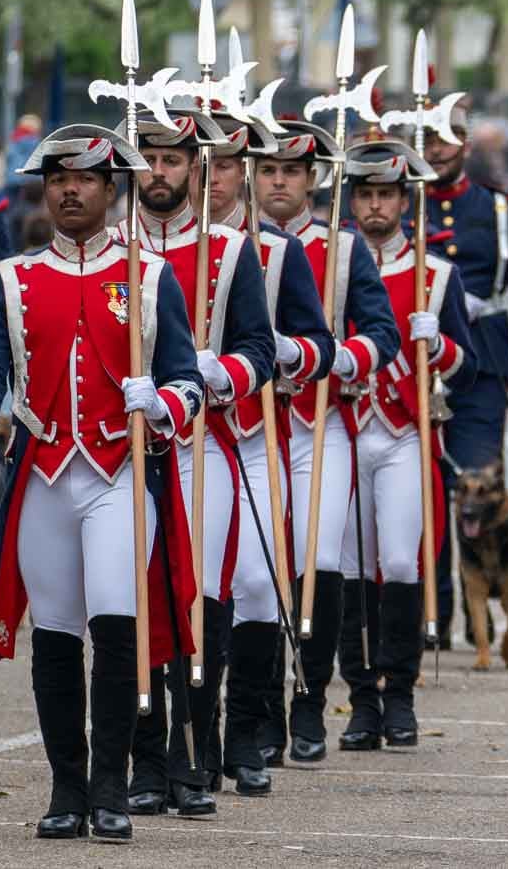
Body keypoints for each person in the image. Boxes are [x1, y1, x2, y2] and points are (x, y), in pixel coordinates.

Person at [0, 124, 203, 841]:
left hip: (117, 472)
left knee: (115, 620)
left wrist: (161, 402)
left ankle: (112, 784)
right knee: (54, 636)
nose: (70, 190)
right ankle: (65, 788)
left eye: (85, 179)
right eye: (58, 179)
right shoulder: (11, 278)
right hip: (43, 473)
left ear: (112, 190)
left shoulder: (147, 275)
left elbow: (187, 381)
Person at [114, 110, 276, 818]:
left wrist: (218, 374)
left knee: (198, 596)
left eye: (172, 159)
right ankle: (145, 759)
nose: (158, 171)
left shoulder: (232, 251)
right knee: (134, 600)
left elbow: (259, 352)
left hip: (201, 441)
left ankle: (196, 753)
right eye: (146, 157)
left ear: (195, 166)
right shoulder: (111, 250)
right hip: (120, 449)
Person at [256, 119, 400, 762]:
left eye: (290, 171)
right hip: (253, 424)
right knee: (257, 574)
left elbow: (382, 335)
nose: (278, 180)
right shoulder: (232, 246)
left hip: (322, 420)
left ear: (312, 180)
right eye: (268, 170)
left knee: (319, 563)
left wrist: (339, 361)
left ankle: (309, 703)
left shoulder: (343, 249)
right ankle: (256, 709)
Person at [207, 113, 336, 783]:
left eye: (233, 164)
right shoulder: (137, 246)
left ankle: (248, 731)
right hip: (176, 438)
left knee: (258, 585)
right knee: (187, 591)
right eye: (218, 163)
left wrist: (286, 351)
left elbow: (321, 346)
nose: (223, 177)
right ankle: (183, 742)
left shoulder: (276, 252)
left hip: (254, 432)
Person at [336, 140, 477, 751]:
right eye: (364, 194)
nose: (374, 205)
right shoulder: (331, 264)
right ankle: (360, 696)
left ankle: (401, 693)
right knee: (345, 567)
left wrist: (438, 344)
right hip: (342, 429)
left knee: (398, 560)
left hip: (402, 433)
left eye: (384, 195)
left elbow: (469, 366)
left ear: (403, 201)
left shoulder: (436, 272)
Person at [421, 99, 508, 646]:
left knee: (475, 485)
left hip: (483, 361)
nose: (436, 151)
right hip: (416, 362)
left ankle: (485, 609)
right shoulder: (396, 202)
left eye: (446, 140)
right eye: (427, 141)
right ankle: (435, 614)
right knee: (424, 491)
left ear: (465, 145)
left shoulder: (497, 210)